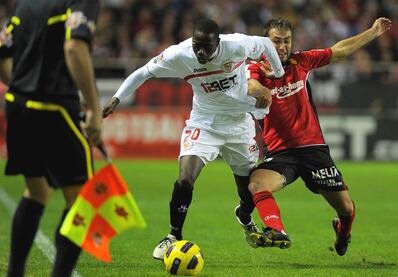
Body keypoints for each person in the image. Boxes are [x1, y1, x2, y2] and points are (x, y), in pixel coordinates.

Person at [102, 18, 284, 260]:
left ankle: (244, 215)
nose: (200, 51)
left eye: (206, 47)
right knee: (186, 178)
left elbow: (265, 44)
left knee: (248, 191)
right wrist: (117, 98)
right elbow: (143, 72)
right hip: (204, 123)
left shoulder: (237, 45)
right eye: (196, 45)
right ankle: (173, 235)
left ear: (217, 43)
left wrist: (278, 74)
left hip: (239, 125)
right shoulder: (180, 54)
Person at [245, 17, 392, 254]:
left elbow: (339, 51)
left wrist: (373, 32)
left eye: (286, 41)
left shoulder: (300, 61)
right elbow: (250, 85)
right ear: (265, 43)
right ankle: (276, 230)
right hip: (281, 154)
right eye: (276, 42)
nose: (282, 47)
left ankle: (343, 232)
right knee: (257, 183)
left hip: (313, 150)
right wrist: (262, 88)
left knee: (346, 209)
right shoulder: (257, 68)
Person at [0, 0, 102, 276]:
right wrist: (94, 108)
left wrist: (22, 86)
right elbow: (74, 47)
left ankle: (14, 273)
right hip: (54, 107)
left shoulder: (28, 3)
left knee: (37, 191)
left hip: (18, 105)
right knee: (82, 201)